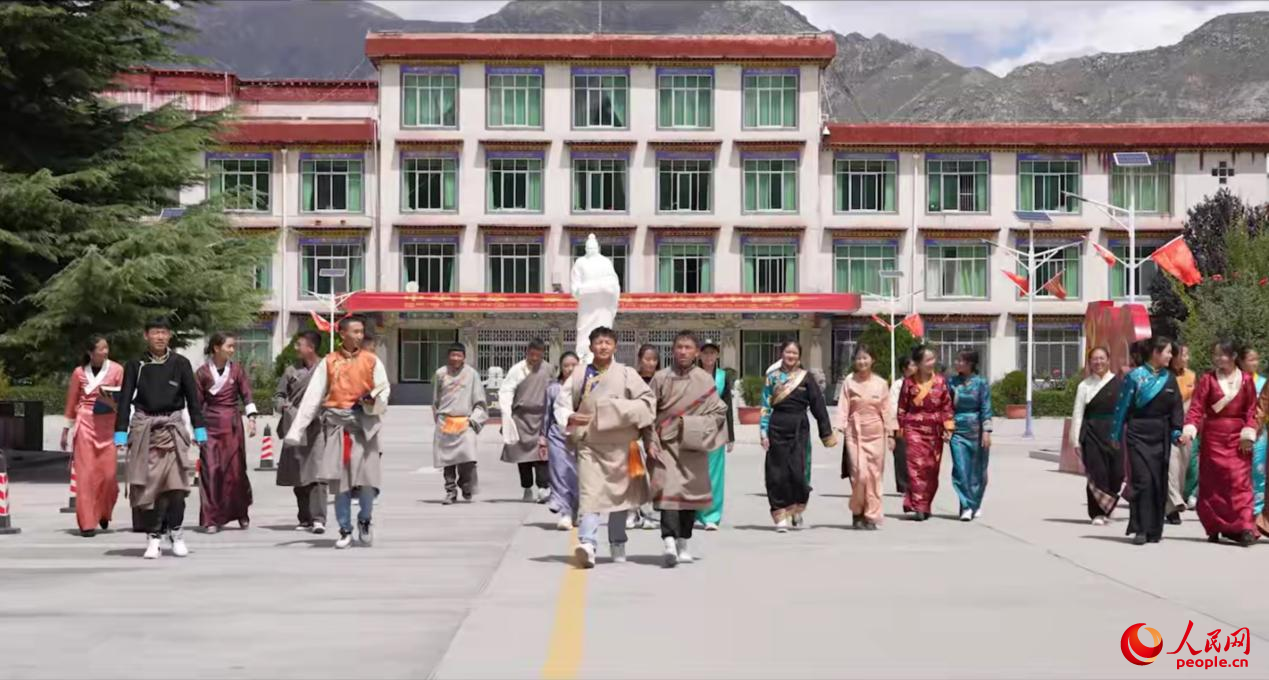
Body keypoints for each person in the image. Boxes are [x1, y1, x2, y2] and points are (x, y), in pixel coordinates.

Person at [284, 316, 390, 549]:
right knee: (340, 484)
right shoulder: (329, 362)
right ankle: (345, 528)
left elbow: (384, 391)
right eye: (355, 331)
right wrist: (297, 430)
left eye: (361, 332)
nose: (359, 336)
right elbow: (313, 397)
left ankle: (365, 519)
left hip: (365, 427)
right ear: (342, 334)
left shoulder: (371, 360)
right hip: (337, 427)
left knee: (368, 482)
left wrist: (374, 402)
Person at [554, 326, 655, 568]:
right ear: (591, 347)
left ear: (615, 346)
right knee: (590, 495)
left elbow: (647, 402)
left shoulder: (627, 373)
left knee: (620, 497)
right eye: (598, 342)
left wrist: (614, 410)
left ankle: (617, 542)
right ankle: (588, 544)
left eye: (607, 342)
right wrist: (569, 416)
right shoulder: (579, 374)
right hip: (591, 444)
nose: (603, 346)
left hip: (622, 446)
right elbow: (561, 403)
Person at [114, 317, 207, 559]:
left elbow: (193, 401)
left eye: (164, 332)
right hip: (146, 431)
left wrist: (199, 430)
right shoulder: (136, 364)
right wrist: (120, 432)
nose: (160, 337)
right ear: (146, 335)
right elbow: (124, 400)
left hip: (173, 430)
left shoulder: (181, 363)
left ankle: (176, 532)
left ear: (170, 335)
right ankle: (153, 537)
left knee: (176, 488)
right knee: (150, 489)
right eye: (155, 332)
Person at [647, 332, 729, 567]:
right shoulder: (660, 378)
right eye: (679, 347)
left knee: (689, 496)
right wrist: (650, 440)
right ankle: (669, 542)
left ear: (696, 353)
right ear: (673, 350)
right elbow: (647, 412)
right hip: (665, 444)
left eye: (688, 347)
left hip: (693, 444)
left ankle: (683, 541)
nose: (683, 351)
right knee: (669, 492)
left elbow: (719, 411)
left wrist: (694, 426)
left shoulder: (704, 380)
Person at [1179, 341, 1258, 546]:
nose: (1218, 358)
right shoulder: (1208, 379)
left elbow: (1252, 411)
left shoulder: (1246, 380)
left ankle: (1244, 526)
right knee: (1214, 485)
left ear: (1233, 357)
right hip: (1213, 438)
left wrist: (1248, 433)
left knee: (1240, 482)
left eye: (1222, 354)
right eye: (1216, 354)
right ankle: (1215, 526)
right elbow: (1196, 407)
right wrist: (1189, 430)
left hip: (1239, 439)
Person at [1110, 336, 1184, 545]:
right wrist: (1115, 434)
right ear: (1155, 352)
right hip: (1138, 433)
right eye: (1167, 352)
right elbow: (1122, 407)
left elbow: (1176, 408)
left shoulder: (1169, 378)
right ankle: (1140, 528)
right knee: (1142, 481)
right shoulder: (1135, 377)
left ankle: (1154, 529)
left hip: (1161, 435)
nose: (1170, 356)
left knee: (1158, 482)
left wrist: (1176, 431)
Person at [761, 340, 836, 532]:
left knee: (798, 472)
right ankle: (780, 514)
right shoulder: (772, 377)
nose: (791, 356)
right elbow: (765, 406)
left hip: (799, 428)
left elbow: (818, 406)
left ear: (799, 356)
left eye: (794, 353)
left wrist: (826, 432)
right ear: (782, 354)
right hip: (776, 427)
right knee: (776, 473)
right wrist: (763, 432)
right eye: (788, 352)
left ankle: (796, 508)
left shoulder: (806, 378)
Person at [194, 332, 258, 533]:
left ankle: (241, 512)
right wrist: (195, 430)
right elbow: (196, 403)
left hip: (232, 425)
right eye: (229, 346)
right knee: (210, 471)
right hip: (209, 426)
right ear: (216, 348)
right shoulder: (202, 373)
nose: (232, 350)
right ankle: (211, 519)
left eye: (233, 346)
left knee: (235, 471)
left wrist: (252, 418)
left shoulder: (237, 370)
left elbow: (246, 394)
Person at [61, 335, 124, 537]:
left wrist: (123, 427)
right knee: (86, 476)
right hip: (85, 424)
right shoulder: (79, 373)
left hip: (108, 425)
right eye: (101, 348)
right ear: (90, 352)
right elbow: (72, 402)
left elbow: (124, 400)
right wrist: (66, 430)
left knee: (108, 475)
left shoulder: (117, 370)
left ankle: (104, 511)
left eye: (107, 348)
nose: (105, 351)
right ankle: (87, 522)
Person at [835, 344, 896, 530]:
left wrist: (891, 434)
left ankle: (871, 515)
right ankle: (857, 512)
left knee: (874, 476)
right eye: (858, 358)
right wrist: (838, 428)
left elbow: (887, 410)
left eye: (865, 358)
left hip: (876, 434)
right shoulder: (849, 382)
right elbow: (843, 406)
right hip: (854, 433)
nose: (862, 361)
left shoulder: (881, 383)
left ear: (872, 360)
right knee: (859, 474)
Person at [275, 331, 327, 534]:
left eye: (299, 345)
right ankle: (304, 517)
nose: (296, 348)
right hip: (295, 426)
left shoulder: (325, 369)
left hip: (317, 427)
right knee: (299, 474)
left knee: (317, 473)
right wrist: (283, 406)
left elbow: (333, 394)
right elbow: (279, 395)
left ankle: (319, 519)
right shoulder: (291, 370)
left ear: (311, 348)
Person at [897, 344, 954, 521]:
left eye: (933, 359)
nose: (932, 363)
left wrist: (948, 428)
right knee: (915, 467)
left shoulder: (941, 382)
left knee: (931, 469)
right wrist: (899, 430)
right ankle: (918, 506)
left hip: (935, 430)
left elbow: (947, 406)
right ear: (918, 363)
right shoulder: (909, 382)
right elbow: (902, 407)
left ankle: (925, 504)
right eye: (927, 360)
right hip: (913, 429)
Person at [1070, 346, 1124, 525]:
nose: (1098, 362)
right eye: (1095, 359)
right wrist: (1075, 440)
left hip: (1115, 433)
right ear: (1089, 362)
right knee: (1096, 472)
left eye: (1102, 358)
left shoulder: (1120, 384)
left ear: (1108, 360)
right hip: (1092, 433)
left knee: (1117, 473)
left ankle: (1108, 504)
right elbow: (1078, 413)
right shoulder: (1084, 386)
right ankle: (1097, 513)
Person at [499, 338, 554, 503]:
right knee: (522, 457)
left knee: (542, 455)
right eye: (532, 355)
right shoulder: (517, 369)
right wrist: (506, 415)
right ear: (527, 352)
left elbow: (554, 390)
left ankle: (543, 488)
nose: (534, 358)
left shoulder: (549, 369)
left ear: (543, 354)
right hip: (521, 418)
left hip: (541, 418)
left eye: (538, 355)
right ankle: (527, 487)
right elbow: (506, 391)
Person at [433, 343, 487, 505]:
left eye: (459, 355)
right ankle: (450, 491)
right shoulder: (440, 373)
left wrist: (474, 419)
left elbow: (480, 400)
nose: (456, 358)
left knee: (468, 459)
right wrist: (438, 417)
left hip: (465, 422)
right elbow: (436, 399)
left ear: (464, 357)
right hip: (445, 421)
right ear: (448, 356)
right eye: (453, 355)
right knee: (447, 461)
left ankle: (465, 484)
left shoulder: (472, 374)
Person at [948, 349, 992, 521]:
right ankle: (966, 506)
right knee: (960, 469)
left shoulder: (981, 383)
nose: (957, 363)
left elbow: (986, 407)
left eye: (960, 361)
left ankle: (975, 503)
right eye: (957, 360)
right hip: (957, 430)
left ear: (970, 363)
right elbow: (946, 405)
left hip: (976, 430)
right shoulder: (951, 382)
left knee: (977, 471)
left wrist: (986, 431)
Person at [696, 339, 735, 530]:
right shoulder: (692, 374)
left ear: (717, 355)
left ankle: (711, 515)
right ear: (699, 355)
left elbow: (727, 405)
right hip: (695, 427)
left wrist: (731, 436)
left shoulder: (722, 376)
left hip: (717, 428)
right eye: (705, 353)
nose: (709, 356)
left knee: (714, 473)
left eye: (712, 353)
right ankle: (694, 512)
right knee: (695, 471)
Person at [625, 344, 661, 530]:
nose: (650, 363)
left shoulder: (661, 379)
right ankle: (632, 512)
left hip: (657, 433)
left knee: (653, 476)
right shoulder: (632, 380)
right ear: (639, 360)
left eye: (654, 359)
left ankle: (648, 513)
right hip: (635, 434)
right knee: (634, 474)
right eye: (647, 359)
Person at [544, 352, 581, 530]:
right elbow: (546, 415)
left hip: (578, 436)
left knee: (576, 475)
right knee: (559, 471)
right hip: (557, 435)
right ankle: (564, 512)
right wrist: (542, 437)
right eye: (566, 365)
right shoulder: (553, 389)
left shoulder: (586, 387)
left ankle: (575, 509)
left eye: (574, 365)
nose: (570, 368)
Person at [1166, 342, 1196, 525]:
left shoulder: (1191, 376)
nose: (1186, 358)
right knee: (1172, 466)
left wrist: (1191, 428)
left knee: (1182, 468)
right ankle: (1174, 505)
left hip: (1186, 427)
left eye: (1187, 355)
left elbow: (1195, 404)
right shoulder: (1164, 376)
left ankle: (1174, 501)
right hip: (1167, 426)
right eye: (1183, 355)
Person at [1238, 347, 1268, 519]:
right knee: (1238, 471)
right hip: (1237, 433)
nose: (1255, 363)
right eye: (1251, 359)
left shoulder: (1263, 382)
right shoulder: (1235, 381)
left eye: (1256, 359)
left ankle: (1256, 511)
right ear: (1241, 361)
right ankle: (1238, 508)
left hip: (1260, 434)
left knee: (1258, 471)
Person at [888, 356, 915, 494]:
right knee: (902, 455)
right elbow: (892, 406)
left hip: (918, 424)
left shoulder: (921, 384)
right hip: (901, 425)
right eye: (912, 365)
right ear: (904, 369)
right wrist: (892, 430)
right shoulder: (898, 385)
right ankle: (904, 486)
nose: (915, 368)